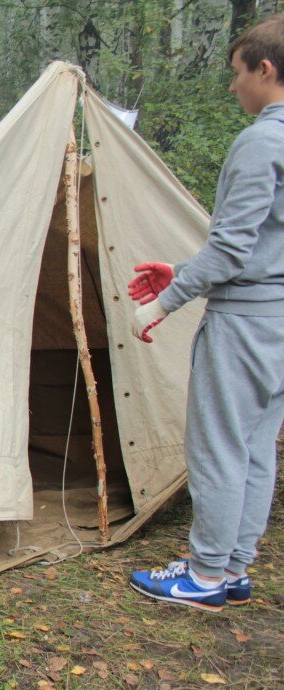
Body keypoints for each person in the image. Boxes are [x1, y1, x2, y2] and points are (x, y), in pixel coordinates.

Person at [127, 14, 284, 612]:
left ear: (265, 69)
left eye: (237, 73)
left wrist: (167, 302)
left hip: (246, 325)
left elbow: (231, 248)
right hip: (279, 317)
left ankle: (204, 575)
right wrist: (185, 270)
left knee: (216, 446)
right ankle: (235, 567)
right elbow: (260, 244)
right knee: (254, 446)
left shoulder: (264, 139)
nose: (232, 87)